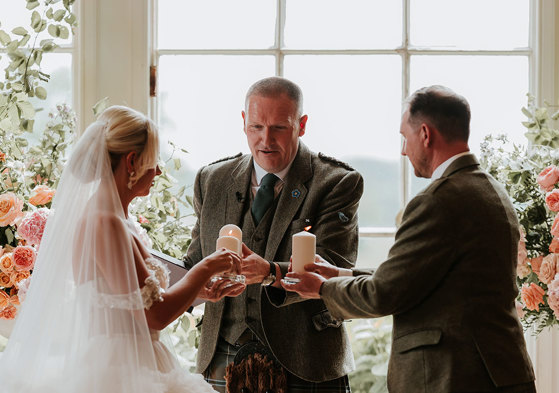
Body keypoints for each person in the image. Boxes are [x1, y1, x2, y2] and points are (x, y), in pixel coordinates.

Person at [282, 86, 536, 393]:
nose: (403, 150)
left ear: (426, 134)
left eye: (405, 136)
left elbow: (383, 294)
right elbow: (422, 278)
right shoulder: (491, 189)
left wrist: (321, 288)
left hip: (454, 376)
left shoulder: (438, 200)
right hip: (501, 370)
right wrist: (341, 274)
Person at [0, 106, 245, 393]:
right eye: (153, 161)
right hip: (121, 370)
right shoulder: (105, 222)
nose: (158, 171)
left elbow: (125, 298)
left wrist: (199, 289)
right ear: (131, 161)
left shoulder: (117, 219)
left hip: (136, 358)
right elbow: (154, 314)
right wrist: (206, 267)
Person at [184, 77, 364, 392]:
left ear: (302, 124)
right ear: (243, 122)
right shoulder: (211, 180)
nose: (266, 139)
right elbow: (194, 263)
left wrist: (270, 272)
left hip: (307, 360)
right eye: (256, 127)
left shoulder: (337, 182)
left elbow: (334, 268)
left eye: (279, 127)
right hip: (221, 358)